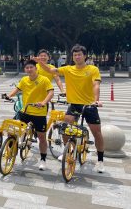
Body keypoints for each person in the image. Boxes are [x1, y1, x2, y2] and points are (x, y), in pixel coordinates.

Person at [33, 44, 105, 173]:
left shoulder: (93, 69)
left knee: (97, 133)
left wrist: (96, 100)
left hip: (89, 105)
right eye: (75, 55)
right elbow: (51, 71)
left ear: (85, 56)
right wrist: (40, 62)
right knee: (65, 128)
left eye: (79, 54)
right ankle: (69, 150)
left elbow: (96, 85)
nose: (77, 57)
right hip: (74, 104)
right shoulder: (68, 69)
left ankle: (100, 160)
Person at [3, 60, 54, 170]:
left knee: (42, 137)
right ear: (25, 69)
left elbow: (51, 92)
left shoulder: (44, 80)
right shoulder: (24, 80)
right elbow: (17, 89)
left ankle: (43, 159)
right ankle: (12, 149)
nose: (29, 69)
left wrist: (44, 102)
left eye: (31, 67)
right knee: (12, 130)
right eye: (27, 68)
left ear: (36, 68)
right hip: (25, 111)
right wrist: (9, 96)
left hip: (39, 113)